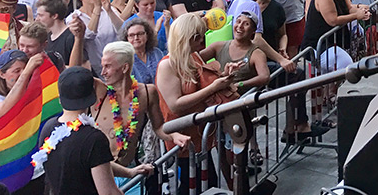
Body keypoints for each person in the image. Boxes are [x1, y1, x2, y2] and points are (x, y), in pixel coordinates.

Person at [93, 41, 190, 194]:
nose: (103, 72)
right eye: (102, 66)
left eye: (108, 66)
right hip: (100, 171)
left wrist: (173, 135)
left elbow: (158, 127)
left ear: (125, 68)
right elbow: (71, 73)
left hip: (130, 171)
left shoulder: (146, 92)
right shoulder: (99, 90)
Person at [155, 14, 236, 195]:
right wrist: (213, 87)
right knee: (190, 185)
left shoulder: (194, 56)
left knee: (208, 182)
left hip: (201, 135)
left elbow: (203, 83)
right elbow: (175, 104)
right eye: (198, 36)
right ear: (187, 37)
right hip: (182, 138)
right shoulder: (168, 65)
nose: (202, 40)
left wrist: (224, 77)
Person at [36, 66, 137, 195]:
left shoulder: (48, 129)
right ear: (92, 96)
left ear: (61, 97)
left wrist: (129, 172)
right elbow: (109, 192)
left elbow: (95, 163)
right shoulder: (94, 139)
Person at [0, 49, 43, 127]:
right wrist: (26, 73)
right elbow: (3, 110)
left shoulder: (34, 94)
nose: (22, 73)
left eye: (25, 69)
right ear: (2, 74)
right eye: (17, 71)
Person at [36, 0, 77, 65]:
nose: (37, 19)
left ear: (54, 16)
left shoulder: (70, 37)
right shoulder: (47, 37)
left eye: (41, 15)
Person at [122, 17, 164, 84]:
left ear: (147, 35)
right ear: (127, 38)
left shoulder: (157, 53)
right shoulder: (125, 60)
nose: (136, 38)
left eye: (140, 34)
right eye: (131, 35)